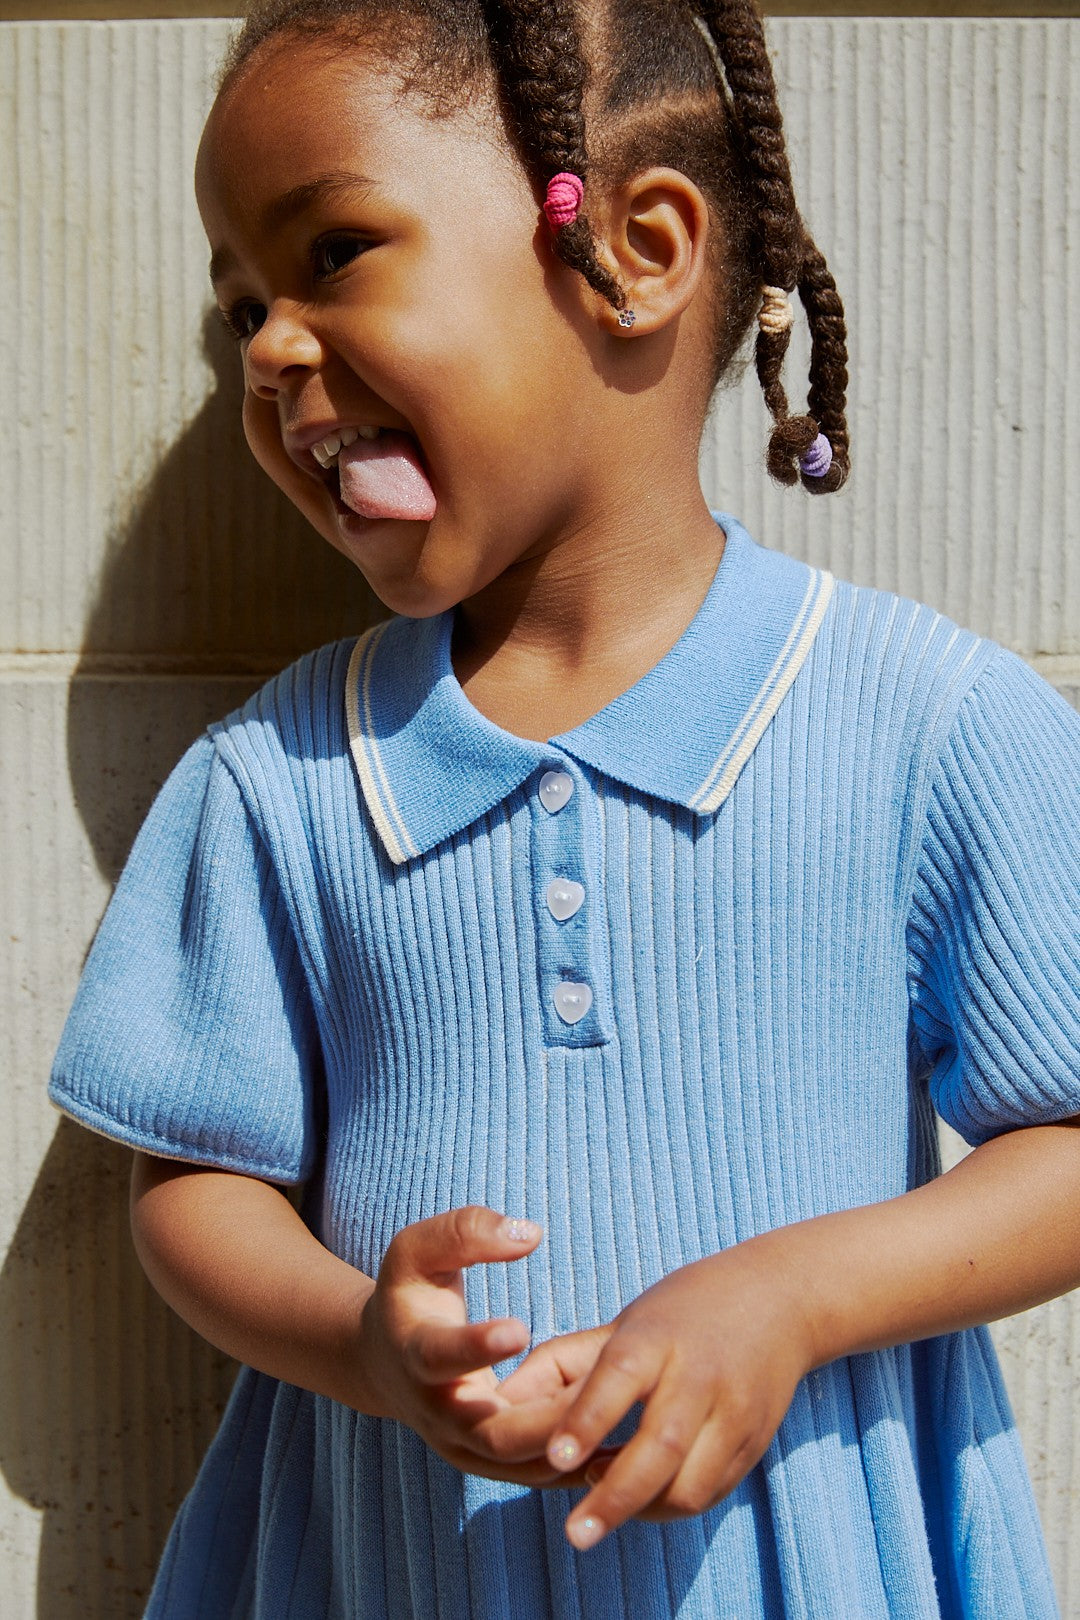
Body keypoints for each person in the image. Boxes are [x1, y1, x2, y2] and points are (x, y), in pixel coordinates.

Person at [48, 1, 1080, 1615]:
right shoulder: (280, 780)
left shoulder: (920, 725)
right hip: (395, 1566)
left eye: (332, 254)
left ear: (639, 245)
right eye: (241, 305)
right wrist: (363, 1346)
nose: (266, 348)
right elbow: (192, 1188)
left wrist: (792, 1297)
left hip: (798, 1564)